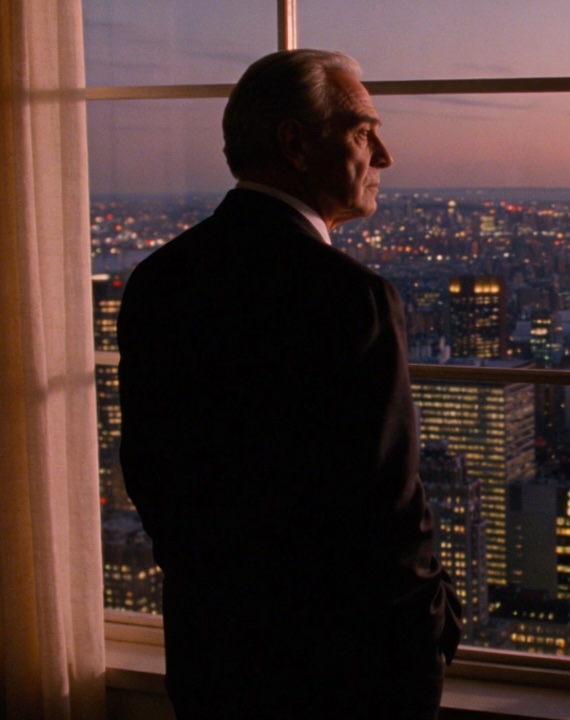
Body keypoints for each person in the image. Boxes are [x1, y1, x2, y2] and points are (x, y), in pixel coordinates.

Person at [118, 49, 460, 719]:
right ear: (296, 143)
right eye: (363, 131)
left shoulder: (160, 279)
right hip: (346, 675)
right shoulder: (348, 297)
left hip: (215, 660)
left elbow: (153, 477)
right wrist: (432, 634)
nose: (383, 155)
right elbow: (387, 508)